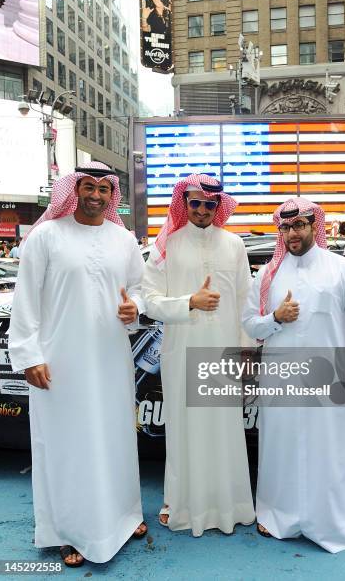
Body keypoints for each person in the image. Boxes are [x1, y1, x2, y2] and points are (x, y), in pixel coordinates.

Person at [8, 162, 147, 568]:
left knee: (115, 439)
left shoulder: (123, 240)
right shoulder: (47, 236)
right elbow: (26, 300)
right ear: (74, 189)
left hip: (110, 359)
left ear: (112, 195)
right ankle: (71, 531)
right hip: (61, 362)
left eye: (104, 190)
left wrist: (133, 307)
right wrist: (30, 355)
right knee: (70, 447)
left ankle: (124, 517)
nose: (96, 196)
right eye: (88, 187)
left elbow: (138, 289)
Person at [242, 197, 345, 553]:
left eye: (299, 224)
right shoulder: (268, 275)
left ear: (314, 226)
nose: (292, 233)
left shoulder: (343, 269)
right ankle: (278, 516)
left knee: (329, 452)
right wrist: (275, 319)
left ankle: (329, 523)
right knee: (281, 450)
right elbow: (248, 323)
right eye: (285, 227)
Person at [141, 173, 255, 537]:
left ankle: (230, 506)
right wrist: (190, 301)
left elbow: (245, 301)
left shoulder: (234, 245)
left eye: (210, 204)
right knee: (185, 431)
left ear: (219, 206)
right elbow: (150, 301)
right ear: (184, 204)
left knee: (224, 430)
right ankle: (182, 505)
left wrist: (246, 350)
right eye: (195, 203)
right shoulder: (168, 245)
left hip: (224, 352)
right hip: (182, 351)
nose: (203, 209)